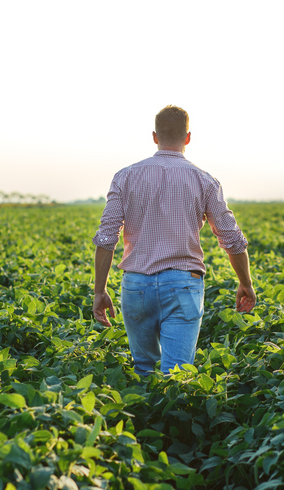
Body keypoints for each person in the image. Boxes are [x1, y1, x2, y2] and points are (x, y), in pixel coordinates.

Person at [92, 105, 256, 376]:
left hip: (136, 284)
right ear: (188, 138)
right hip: (184, 284)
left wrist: (100, 291)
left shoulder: (125, 176)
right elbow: (232, 239)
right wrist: (246, 283)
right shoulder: (204, 180)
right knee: (177, 374)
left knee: (143, 369)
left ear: (155, 137)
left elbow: (107, 237)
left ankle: (143, 416)